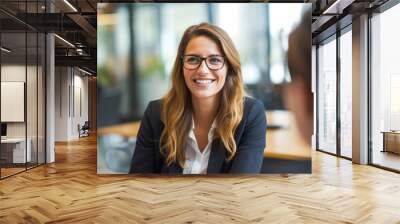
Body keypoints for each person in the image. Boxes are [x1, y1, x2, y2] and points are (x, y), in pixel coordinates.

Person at [130, 23, 267, 174]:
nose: (202, 70)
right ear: (181, 66)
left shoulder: (250, 114)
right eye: (193, 59)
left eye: (214, 60)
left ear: (229, 68)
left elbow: (240, 189)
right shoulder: (156, 113)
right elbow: (138, 182)